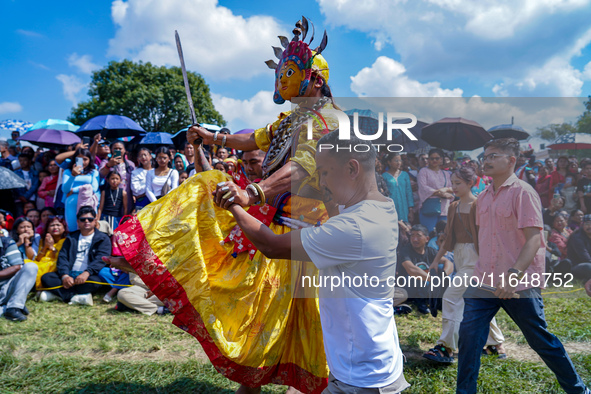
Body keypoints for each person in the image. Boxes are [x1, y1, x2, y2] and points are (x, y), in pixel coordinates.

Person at [105, 22, 342, 393]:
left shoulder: (327, 120)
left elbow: (303, 167)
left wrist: (256, 193)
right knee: (259, 321)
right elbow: (253, 139)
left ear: (313, 80)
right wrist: (212, 137)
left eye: (290, 72)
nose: (282, 79)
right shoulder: (290, 120)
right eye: (281, 72)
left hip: (312, 240)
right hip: (278, 231)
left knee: (311, 333)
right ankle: (146, 253)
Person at [212, 129, 409, 393]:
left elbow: (270, 245)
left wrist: (234, 204)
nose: (321, 181)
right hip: (368, 364)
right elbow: (337, 211)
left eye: (325, 172)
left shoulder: (354, 227)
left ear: (352, 168)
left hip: (363, 379)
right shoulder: (382, 206)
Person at [456, 138, 589, 394]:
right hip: (484, 281)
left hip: (520, 283)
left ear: (512, 160)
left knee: (541, 341)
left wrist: (513, 275)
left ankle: (578, 390)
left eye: (494, 155)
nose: (487, 160)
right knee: (469, 337)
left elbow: (534, 240)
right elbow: (482, 238)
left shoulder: (524, 192)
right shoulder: (482, 198)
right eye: (485, 155)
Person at [423, 166, 505, 364]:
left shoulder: (480, 205)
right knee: (478, 302)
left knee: (451, 298)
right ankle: (496, 344)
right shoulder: (453, 207)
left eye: (458, 183)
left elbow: (489, 236)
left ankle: (446, 347)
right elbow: (448, 238)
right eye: (452, 183)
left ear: (470, 183)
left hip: (477, 259)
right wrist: (435, 261)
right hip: (459, 256)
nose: (454, 187)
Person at [39, 206, 110, 306]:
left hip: (89, 276)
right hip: (70, 274)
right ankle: (76, 297)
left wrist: (86, 273)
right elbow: (62, 258)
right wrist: (65, 276)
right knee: (47, 278)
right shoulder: (71, 238)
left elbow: (101, 259)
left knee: (96, 282)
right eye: (83, 219)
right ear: (78, 222)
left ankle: (59, 295)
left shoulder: (103, 238)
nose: (86, 221)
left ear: (95, 221)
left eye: (90, 219)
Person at [397, 224, 452, 314]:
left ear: (427, 239)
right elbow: (411, 269)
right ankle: (421, 302)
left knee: (441, 270)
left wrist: (443, 276)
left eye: (418, 236)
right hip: (407, 288)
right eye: (412, 236)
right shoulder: (405, 251)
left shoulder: (430, 251)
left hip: (427, 286)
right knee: (417, 276)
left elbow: (448, 263)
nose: (414, 239)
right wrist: (434, 280)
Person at [0, 234, 38, 321]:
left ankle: (14, 307)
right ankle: (7, 308)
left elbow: (16, 266)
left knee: (31, 266)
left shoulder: (7, 242)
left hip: (8, 286)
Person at [62, 148, 100, 231]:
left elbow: (93, 188)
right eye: (79, 159)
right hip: (72, 204)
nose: (82, 162)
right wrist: (73, 175)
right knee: (72, 229)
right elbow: (65, 190)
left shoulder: (94, 172)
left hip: (88, 204)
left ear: (90, 160)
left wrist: (74, 190)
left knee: (88, 228)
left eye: (85, 159)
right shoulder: (68, 172)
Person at [417, 149, 453, 232]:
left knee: (443, 235)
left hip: (444, 208)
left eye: (437, 158)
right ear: (428, 159)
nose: (434, 160)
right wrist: (442, 194)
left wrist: (445, 189)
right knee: (429, 233)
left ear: (441, 159)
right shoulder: (423, 171)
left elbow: (452, 188)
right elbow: (423, 188)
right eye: (432, 158)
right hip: (429, 208)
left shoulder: (446, 174)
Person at [99, 141, 135, 215]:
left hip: (127, 195)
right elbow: (101, 174)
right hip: (112, 197)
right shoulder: (106, 161)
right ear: (111, 150)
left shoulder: (130, 164)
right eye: (115, 148)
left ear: (125, 150)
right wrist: (108, 165)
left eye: (120, 148)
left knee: (126, 217)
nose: (118, 150)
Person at [34, 215, 68, 290]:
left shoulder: (67, 241)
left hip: (57, 265)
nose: (55, 227)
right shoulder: (43, 240)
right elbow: (38, 259)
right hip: (42, 262)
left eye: (58, 225)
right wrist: (45, 247)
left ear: (64, 228)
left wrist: (52, 247)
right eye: (52, 225)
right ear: (47, 229)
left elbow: (61, 258)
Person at [382, 152, 414, 222]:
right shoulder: (384, 176)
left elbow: (409, 192)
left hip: (404, 208)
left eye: (400, 160)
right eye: (396, 160)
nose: (399, 163)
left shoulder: (405, 175)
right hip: (391, 207)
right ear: (389, 162)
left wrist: (411, 209)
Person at [566, 214, 591, 282]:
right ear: (582, 225)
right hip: (578, 266)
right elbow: (585, 257)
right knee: (589, 267)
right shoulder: (577, 237)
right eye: (587, 224)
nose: (590, 226)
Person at [13, 153, 39, 217]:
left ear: (29, 161)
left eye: (24, 160)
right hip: (19, 199)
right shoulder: (15, 173)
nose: (22, 162)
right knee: (20, 215)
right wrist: (21, 196)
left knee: (32, 215)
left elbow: (34, 186)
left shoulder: (35, 173)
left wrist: (26, 196)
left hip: (31, 198)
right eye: (20, 161)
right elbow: (15, 186)